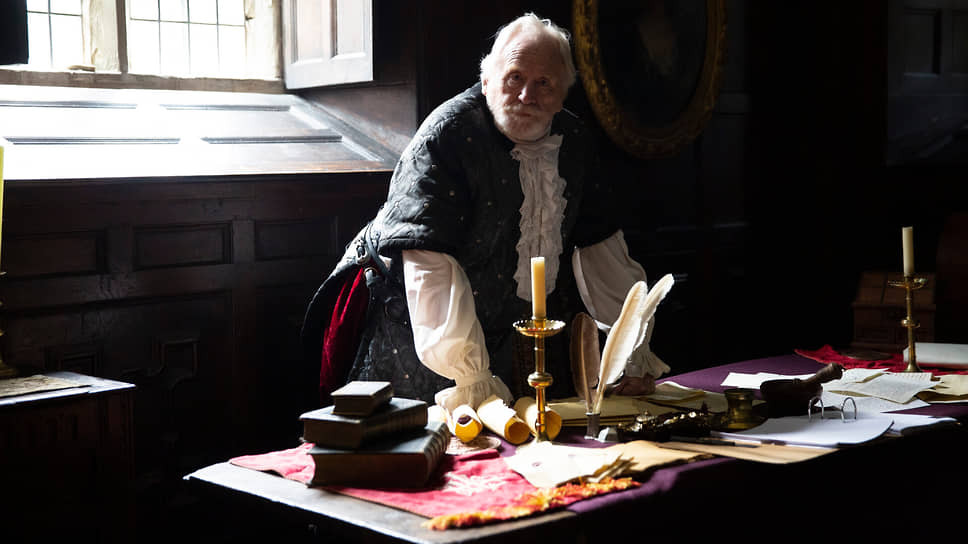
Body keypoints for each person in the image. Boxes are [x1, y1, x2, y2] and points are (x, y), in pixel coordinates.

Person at [300, 13, 668, 413]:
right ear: (488, 78)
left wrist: (631, 353)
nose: (527, 95)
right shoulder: (447, 136)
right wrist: (470, 375)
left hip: (518, 338)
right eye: (515, 77)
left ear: (563, 92)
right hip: (421, 330)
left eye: (544, 83)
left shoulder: (575, 143)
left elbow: (603, 252)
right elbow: (428, 264)